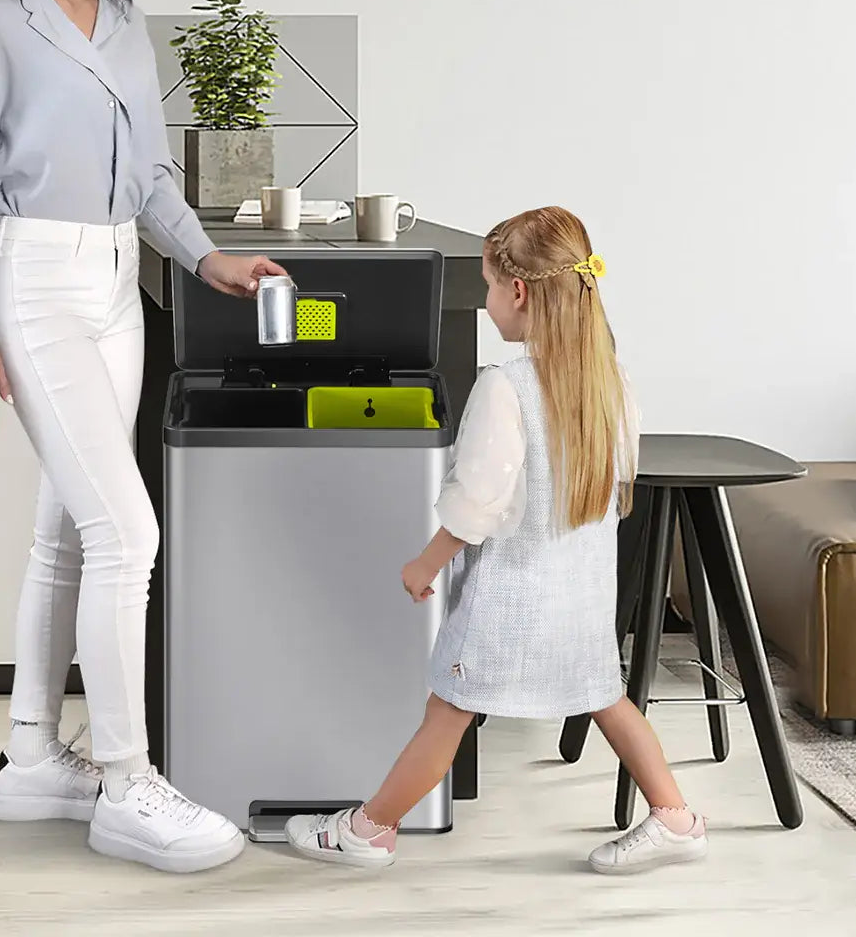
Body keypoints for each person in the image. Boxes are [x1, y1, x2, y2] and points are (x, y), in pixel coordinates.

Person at [0, 0, 287, 874]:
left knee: (70, 532)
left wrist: (207, 258)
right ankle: (129, 785)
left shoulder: (128, 22)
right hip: (34, 278)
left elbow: (151, 177)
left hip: (116, 284)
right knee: (128, 533)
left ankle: (32, 757)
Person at [283, 206, 708, 874]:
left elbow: (479, 501)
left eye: (486, 286)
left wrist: (426, 563)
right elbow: (617, 478)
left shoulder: (505, 389)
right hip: (582, 595)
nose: (484, 302)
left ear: (518, 291)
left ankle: (368, 830)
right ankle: (675, 817)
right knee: (605, 696)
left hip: (510, 599)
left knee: (448, 709)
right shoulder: (610, 382)